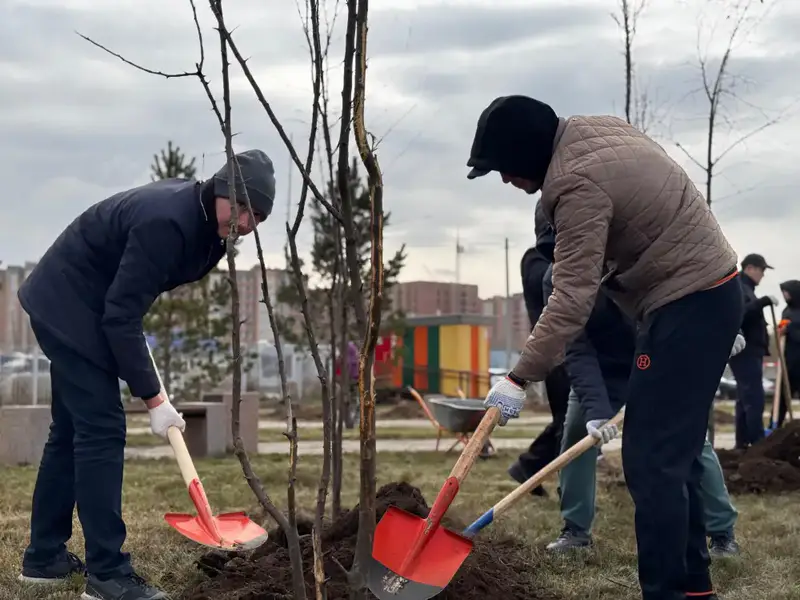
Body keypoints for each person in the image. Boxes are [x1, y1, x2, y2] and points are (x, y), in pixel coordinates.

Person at [467, 95, 741, 600]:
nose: (506, 181)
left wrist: (518, 376)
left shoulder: (573, 182)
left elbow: (571, 297)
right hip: (703, 294)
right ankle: (694, 589)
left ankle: (668, 592)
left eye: (505, 169)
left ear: (527, 153)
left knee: (652, 461)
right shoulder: (598, 129)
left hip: (690, 301)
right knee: (670, 458)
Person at [16, 150, 275, 600]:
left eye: (259, 216)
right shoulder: (169, 222)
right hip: (70, 305)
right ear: (221, 189)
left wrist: (141, 360)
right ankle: (107, 576)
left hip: (86, 304)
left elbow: (129, 301)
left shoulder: (204, 224)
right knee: (101, 430)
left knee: (71, 431)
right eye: (243, 207)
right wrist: (154, 400)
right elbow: (119, 314)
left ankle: (45, 559)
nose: (248, 222)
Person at [540, 268, 741, 558]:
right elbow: (576, 347)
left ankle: (722, 532)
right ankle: (575, 530)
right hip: (602, 372)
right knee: (575, 435)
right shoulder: (558, 277)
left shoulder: (630, 255)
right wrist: (596, 410)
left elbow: (684, 292)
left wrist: (716, 331)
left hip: (655, 359)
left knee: (687, 438)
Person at [507, 200, 570, 496]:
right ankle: (534, 470)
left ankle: (529, 467)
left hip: (567, 352)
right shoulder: (536, 262)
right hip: (556, 355)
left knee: (566, 422)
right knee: (567, 423)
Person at [729, 253, 778, 447]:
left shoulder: (747, 288)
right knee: (754, 397)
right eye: (762, 270)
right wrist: (762, 302)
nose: (763, 275)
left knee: (745, 398)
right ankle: (758, 443)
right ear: (750, 268)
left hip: (751, 351)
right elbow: (740, 313)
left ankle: (742, 444)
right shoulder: (740, 287)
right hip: (745, 351)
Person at [777, 279, 800, 426]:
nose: (785, 295)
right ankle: (777, 424)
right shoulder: (786, 311)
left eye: (787, 292)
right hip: (788, 361)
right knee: (783, 396)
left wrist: (791, 329)